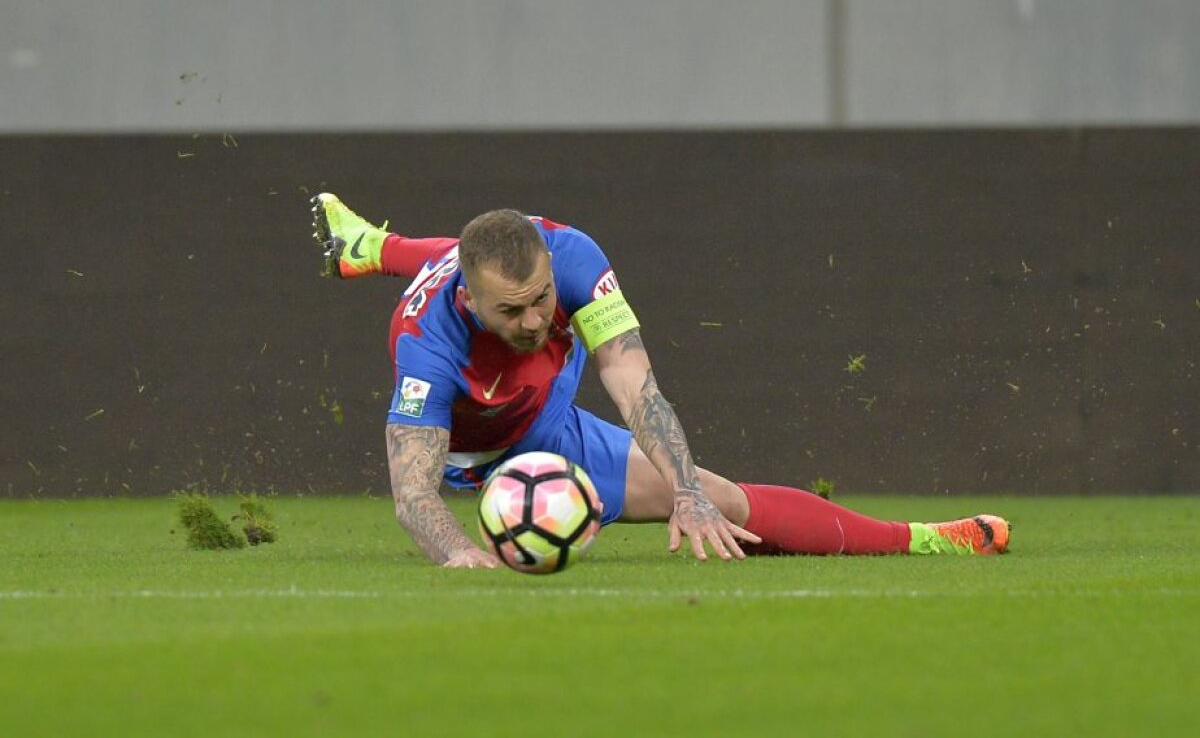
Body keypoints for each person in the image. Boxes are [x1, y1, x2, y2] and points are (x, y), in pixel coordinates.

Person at [310, 193, 1010, 568]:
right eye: (510, 309)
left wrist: (685, 491)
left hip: (549, 421)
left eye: (542, 300)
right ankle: (370, 249)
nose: (532, 320)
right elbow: (412, 492)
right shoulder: (427, 339)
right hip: (474, 454)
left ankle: (921, 538)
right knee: (427, 260)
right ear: (470, 299)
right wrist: (462, 554)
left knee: (723, 498)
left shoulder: (573, 256)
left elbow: (632, 380)